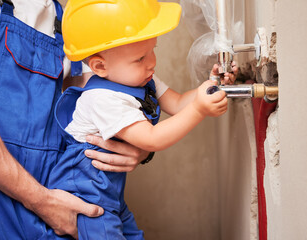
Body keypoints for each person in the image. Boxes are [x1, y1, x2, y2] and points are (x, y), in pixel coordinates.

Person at [48, 0, 238, 239]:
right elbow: (152, 139)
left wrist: (211, 87)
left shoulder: (140, 78)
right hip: (85, 197)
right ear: (100, 66)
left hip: (109, 192)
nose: (152, 62)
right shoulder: (102, 99)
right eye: (140, 58)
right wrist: (199, 109)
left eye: (153, 50)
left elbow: (179, 103)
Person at [0, 0, 151, 239]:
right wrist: (41, 200)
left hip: (59, 207)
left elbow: (110, 107)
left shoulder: (71, 20)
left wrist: (140, 148)